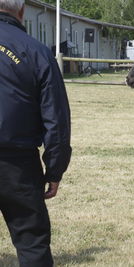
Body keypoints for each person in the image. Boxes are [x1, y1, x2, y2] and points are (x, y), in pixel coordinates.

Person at [0, 0, 72, 266]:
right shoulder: (38, 52)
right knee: (32, 244)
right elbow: (56, 121)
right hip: (18, 166)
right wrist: (55, 169)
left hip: (18, 159)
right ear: (21, 11)